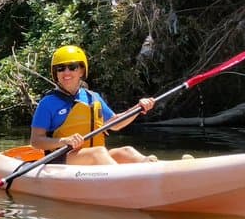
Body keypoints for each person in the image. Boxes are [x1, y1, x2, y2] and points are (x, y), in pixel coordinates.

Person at [29, 45, 157, 165]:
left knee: (127, 151)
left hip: (92, 156)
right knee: (98, 152)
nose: (66, 72)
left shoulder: (93, 97)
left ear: (81, 71)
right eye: (61, 68)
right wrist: (64, 141)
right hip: (61, 160)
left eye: (72, 67)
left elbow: (116, 124)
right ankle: (123, 180)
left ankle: (154, 170)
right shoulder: (47, 103)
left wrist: (138, 108)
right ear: (56, 73)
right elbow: (36, 141)